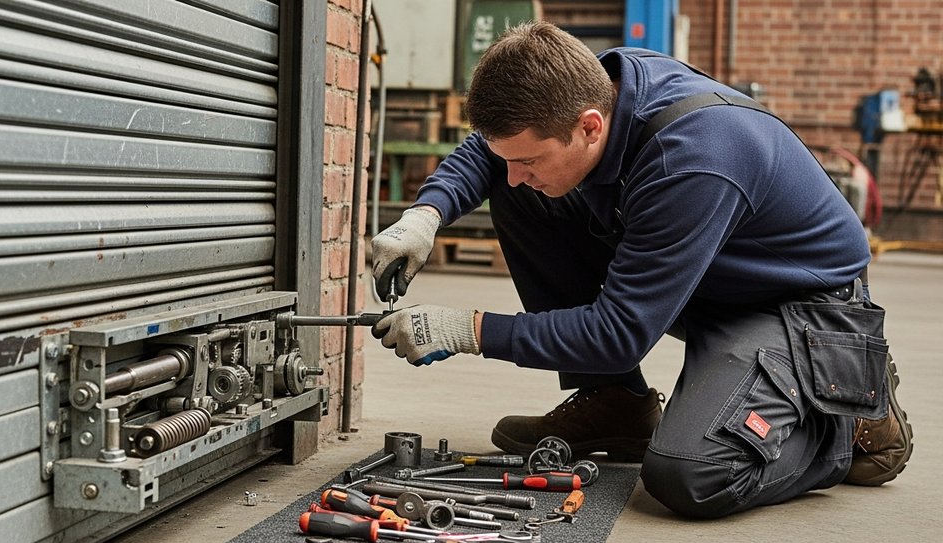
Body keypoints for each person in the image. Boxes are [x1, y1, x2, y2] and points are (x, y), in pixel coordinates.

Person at [369, 21, 912, 518]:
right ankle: (616, 405)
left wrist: (468, 330)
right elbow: (489, 154)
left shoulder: (691, 159)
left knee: (690, 475)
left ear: (588, 127)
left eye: (528, 159)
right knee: (526, 197)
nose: (512, 174)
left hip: (793, 305)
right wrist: (425, 214)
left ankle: (842, 414)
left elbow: (618, 334)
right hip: (710, 272)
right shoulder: (596, 84)